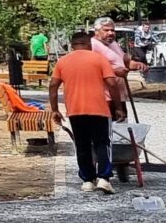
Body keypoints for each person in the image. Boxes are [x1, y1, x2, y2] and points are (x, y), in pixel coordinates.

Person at [48, 30, 121, 194]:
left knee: (82, 145)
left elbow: (53, 86)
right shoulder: (98, 59)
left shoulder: (62, 61)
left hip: (75, 110)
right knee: (103, 144)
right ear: (88, 44)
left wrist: (55, 110)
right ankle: (104, 178)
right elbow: (112, 83)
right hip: (99, 110)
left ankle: (87, 180)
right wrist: (118, 107)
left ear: (72, 45)